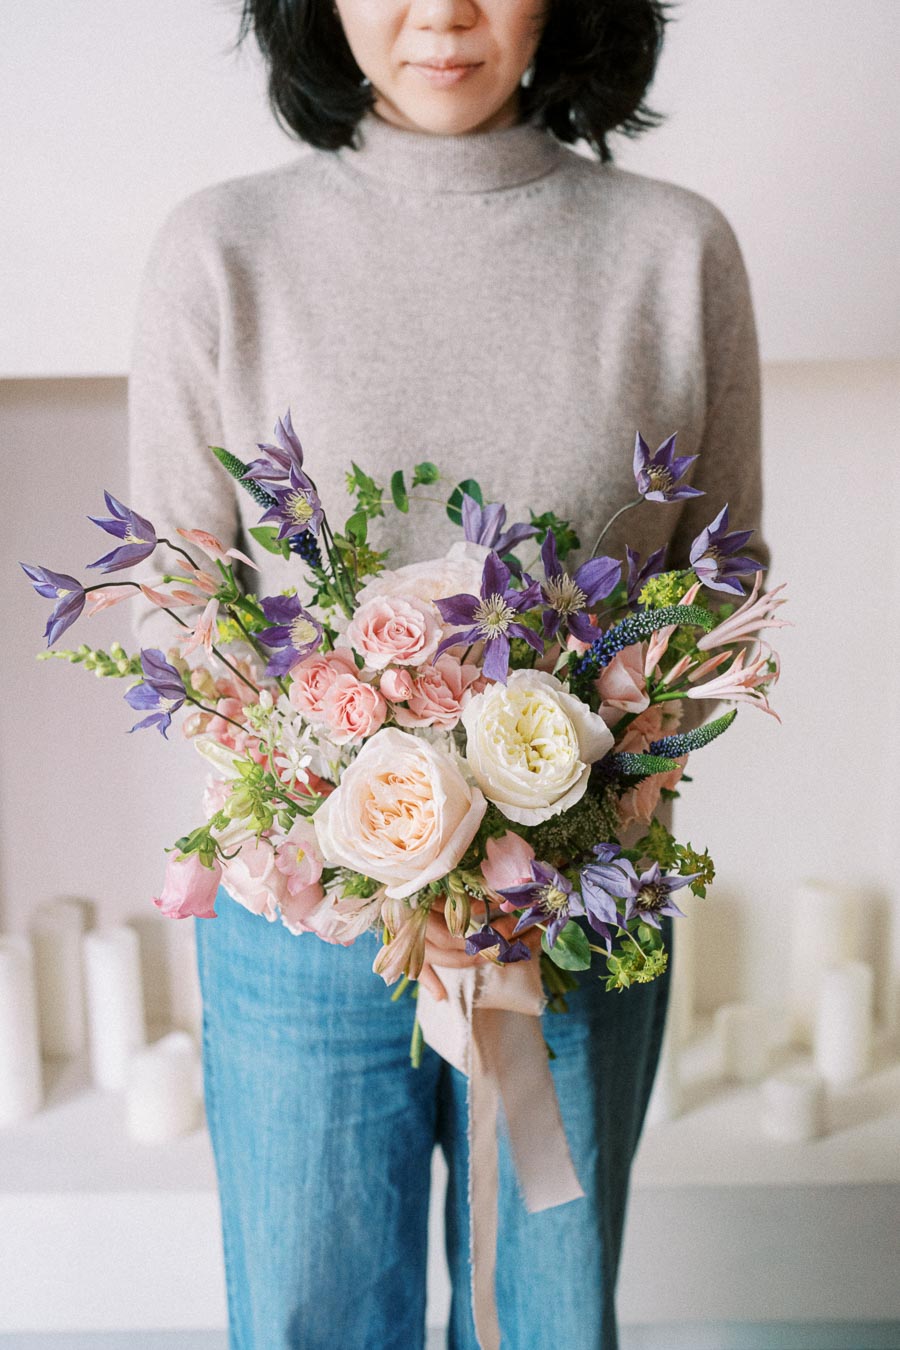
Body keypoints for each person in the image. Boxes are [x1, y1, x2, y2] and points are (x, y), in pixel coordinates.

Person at [127, 1, 770, 1345]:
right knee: (312, 1318)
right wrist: (353, 817)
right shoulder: (222, 252)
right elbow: (182, 611)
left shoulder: (672, 250)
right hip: (301, 926)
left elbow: (720, 594)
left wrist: (548, 816)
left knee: (543, 1317)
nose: (443, 12)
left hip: (573, 917)